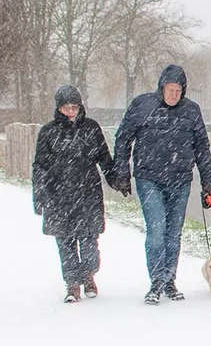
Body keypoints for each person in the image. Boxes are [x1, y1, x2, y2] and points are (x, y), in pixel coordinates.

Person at [113, 64, 211, 305]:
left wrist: (208, 184)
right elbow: (123, 137)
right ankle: (157, 281)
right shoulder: (142, 106)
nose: (173, 94)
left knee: (173, 233)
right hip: (149, 178)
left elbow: (202, 147)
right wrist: (122, 171)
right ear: (161, 88)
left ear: (183, 91)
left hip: (180, 180)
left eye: (178, 90)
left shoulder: (192, 111)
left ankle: (170, 280)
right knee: (157, 230)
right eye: (169, 89)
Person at [32, 84, 128, 303]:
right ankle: (72, 283)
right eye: (67, 107)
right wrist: (39, 195)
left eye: (74, 107)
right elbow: (40, 166)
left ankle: (88, 274)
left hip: (88, 193)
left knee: (89, 240)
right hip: (59, 195)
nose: (71, 111)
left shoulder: (91, 129)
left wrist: (117, 180)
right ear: (59, 108)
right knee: (65, 242)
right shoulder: (48, 132)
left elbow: (104, 158)